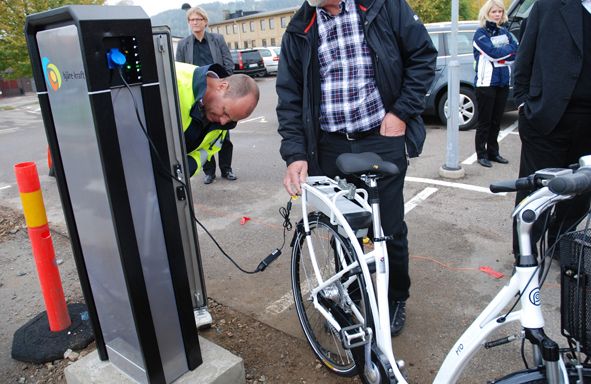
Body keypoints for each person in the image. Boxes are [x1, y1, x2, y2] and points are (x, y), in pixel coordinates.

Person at [276, 0, 437, 336]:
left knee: (387, 227)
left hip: (380, 137)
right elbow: (289, 96)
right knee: (345, 228)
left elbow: (423, 57)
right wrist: (295, 154)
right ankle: (352, 292)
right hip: (330, 144)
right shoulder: (299, 27)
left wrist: (401, 112)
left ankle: (394, 298)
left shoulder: (383, 6)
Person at [512, 0, 591, 255]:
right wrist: (524, 104)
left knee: (579, 196)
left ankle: (560, 245)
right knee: (535, 193)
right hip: (546, 120)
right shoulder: (548, 5)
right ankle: (525, 255)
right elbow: (524, 57)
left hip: (588, 126)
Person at [176, 6, 237, 185]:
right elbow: (178, 68)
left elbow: (228, 63)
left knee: (223, 135)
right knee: (202, 136)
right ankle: (209, 171)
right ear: (189, 23)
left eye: (198, 19)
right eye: (192, 20)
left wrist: (223, 87)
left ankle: (226, 168)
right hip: (197, 98)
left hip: (217, 92)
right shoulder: (183, 44)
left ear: (205, 21)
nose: (195, 22)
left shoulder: (217, 40)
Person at [175, 62, 259, 177]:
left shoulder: (223, 125)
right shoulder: (175, 78)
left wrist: (192, 163)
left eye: (231, 120)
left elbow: (207, 150)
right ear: (222, 86)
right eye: (225, 112)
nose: (223, 122)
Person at [472, 0, 518, 168]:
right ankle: (481, 154)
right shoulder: (480, 33)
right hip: (486, 83)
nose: (497, 14)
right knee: (485, 121)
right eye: (494, 11)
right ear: (487, 13)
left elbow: (516, 51)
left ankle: (493, 152)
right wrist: (505, 53)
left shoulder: (505, 32)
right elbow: (493, 54)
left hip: (503, 82)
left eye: (500, 11)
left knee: (496, 121)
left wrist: (503, 54)